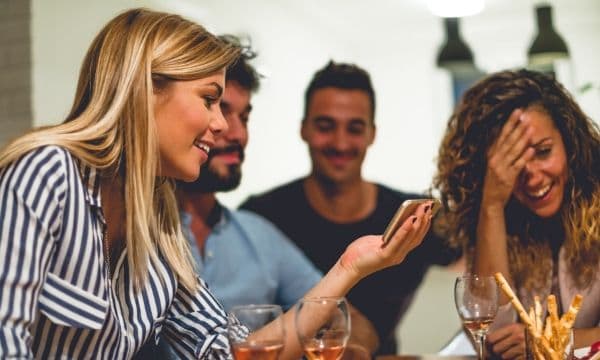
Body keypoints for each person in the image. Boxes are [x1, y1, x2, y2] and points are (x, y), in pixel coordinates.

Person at [0, 8, 434, 359]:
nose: (223, 124)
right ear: (144, 90)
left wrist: (350, 266)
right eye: (210, 100)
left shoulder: (160, 223)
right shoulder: (48, 171)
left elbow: (231, 352)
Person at [240, 60, 461, 354]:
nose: (341, 143)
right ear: (304, 129)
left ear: (372, 133)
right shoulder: (261, 217)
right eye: (325, 126)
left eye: (354, 128)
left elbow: (486, 277)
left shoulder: (412, 217)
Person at [432, 69, 600, 359]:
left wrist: (550, 343)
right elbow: (491, 336)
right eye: (512, 164)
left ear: (570, 143)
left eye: (543, 151)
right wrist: (492, 204)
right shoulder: (491, 215)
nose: (533, 177)